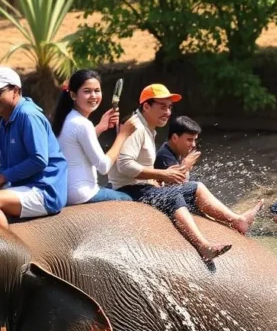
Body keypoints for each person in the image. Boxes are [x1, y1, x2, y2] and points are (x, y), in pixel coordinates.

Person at [108, 84, 263, 263]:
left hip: (141, 186)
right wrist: (163, 174)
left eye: (170, 107)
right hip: (131, 190)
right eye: (162, 106)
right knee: (174, 196)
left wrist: (158, 176)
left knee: (196, 187)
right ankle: (203, 245)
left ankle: (237, 220)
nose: (167, 112)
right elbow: (125, 166)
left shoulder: (148, 128)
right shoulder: (136, 127)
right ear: (146, 106)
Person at [0, 66, 67, 229]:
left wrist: (4, 177)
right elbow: (5, 166)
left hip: (45, 190)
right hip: (23, 187)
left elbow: (39, 160)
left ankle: (8, 252)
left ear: (15, 91)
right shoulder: (4, 122)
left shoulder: (28, 115)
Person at [51, 69, 136, 206]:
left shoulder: (67, 118)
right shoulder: (83, 124)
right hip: (82, 193)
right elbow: (103, 167)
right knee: (129, 200)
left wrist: (100, 127)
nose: (93, 95)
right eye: (87, 91)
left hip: (66, 191)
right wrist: (122, 135)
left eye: (97, 90)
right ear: (73, 95)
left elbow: (77, 145)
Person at [154, 115, 202, 181]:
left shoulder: (176, 151)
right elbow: (180, 187)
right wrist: (185, 167)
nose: (193, 144)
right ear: (175, 138)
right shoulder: (164, 158)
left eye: (195, 140)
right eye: (189, 140)